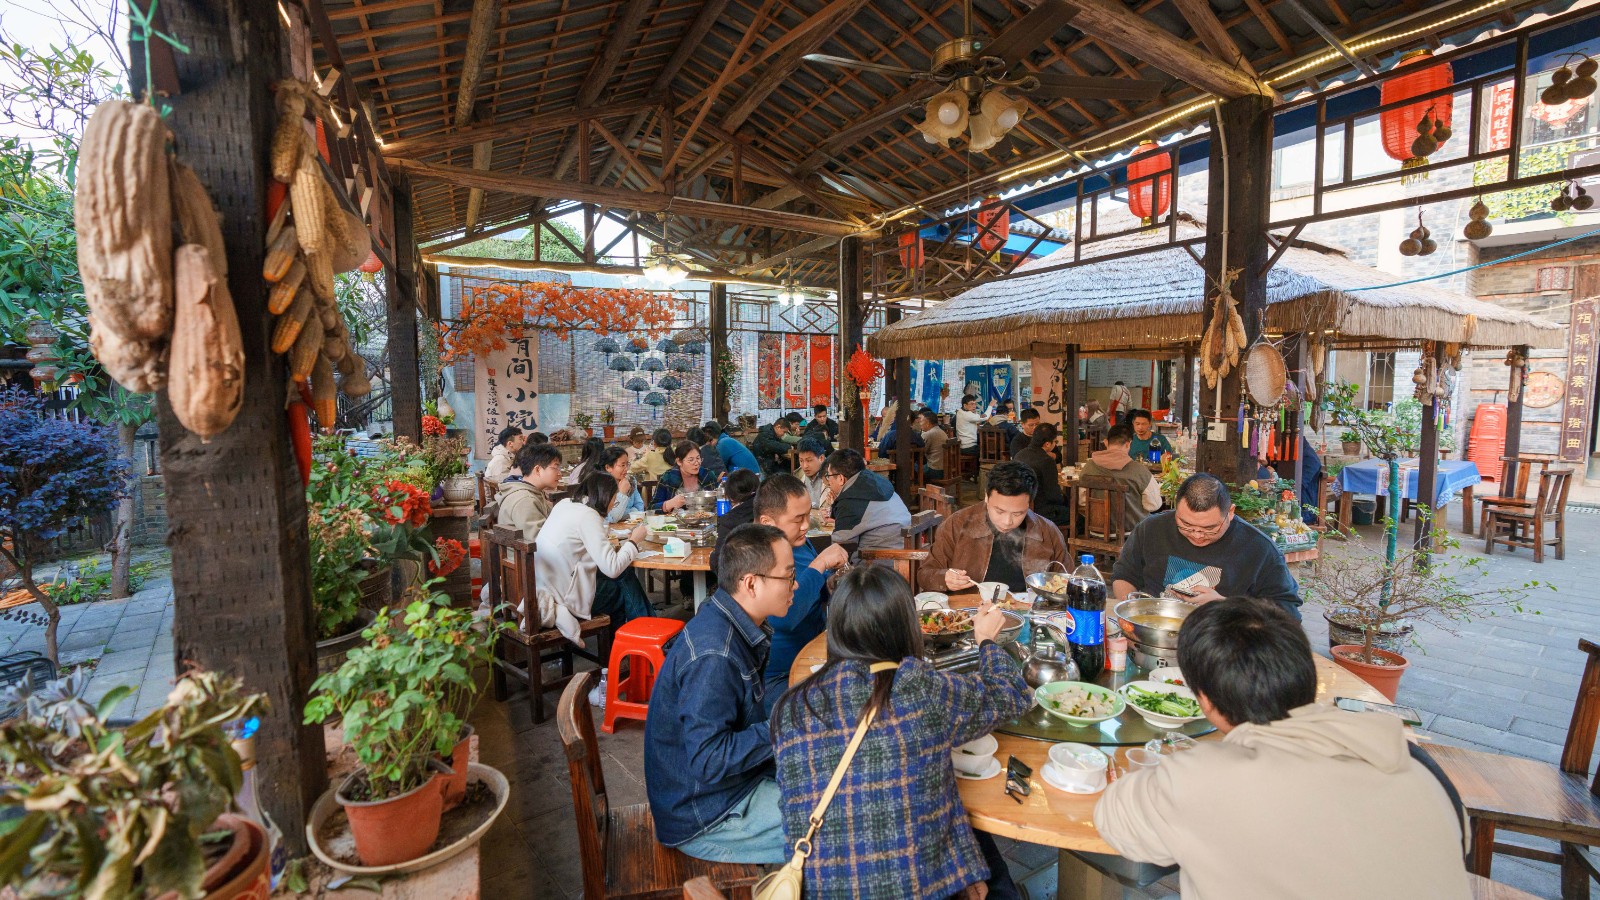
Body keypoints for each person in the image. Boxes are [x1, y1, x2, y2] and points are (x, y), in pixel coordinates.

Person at [1095, 598, 1471, 899]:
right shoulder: (1418, 767)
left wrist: (1161, 771)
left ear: (1204, 700)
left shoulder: (1201, 779)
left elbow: (1113, 821)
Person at [770, 566, 1029, 900]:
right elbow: (1012, 694)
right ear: (906, 626)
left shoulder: (791, 706)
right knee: (987, 858)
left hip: (818, 886)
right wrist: (987, 641)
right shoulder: (917, 686)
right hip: (915, 887)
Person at [645, 524, 795, 864]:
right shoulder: (716, 654)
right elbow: (709, 760)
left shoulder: (728, 618)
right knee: (835, 818)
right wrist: (784, 726)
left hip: (722, 790)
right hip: (706, 817)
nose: (795, 584)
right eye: (788, 576)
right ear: (751, 583)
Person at [1110, 474, 1301, 618]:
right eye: (1185, 525)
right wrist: (1133, 612)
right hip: (1154, 629)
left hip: (1221, 643)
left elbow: (1288, 612)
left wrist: (1225, 605)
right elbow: (1124, 576)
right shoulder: (1151, 529)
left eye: (1209, 528)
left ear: (1230, 512)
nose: (1197, 535)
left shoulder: (1260, 549)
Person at [753, 473, 848, 703]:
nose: (806, 525)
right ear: (767, 522)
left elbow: (817, 590)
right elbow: (785, 616)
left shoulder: (798, 542)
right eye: (798, 519)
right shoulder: (756, 555)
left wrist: (835, 580)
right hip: (776, 677)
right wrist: (820, 564)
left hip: (813, 656)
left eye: (807, 515)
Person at [534, 472, 652, 641]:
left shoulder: (565, 504)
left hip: (546, 586)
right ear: (605, 496)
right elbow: (612, 569)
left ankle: (629, 640)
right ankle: (647, 634)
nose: (614, 504)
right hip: (565, 597)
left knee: (624, 576)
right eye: (614, 499)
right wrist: (633, 541)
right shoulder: (588, 515)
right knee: (622, 586)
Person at [918, 461, 1068, 594]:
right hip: (971, 611)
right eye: (999, 511)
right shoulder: (957, 524)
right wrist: (944, 579)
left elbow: (1068, 581)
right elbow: (924, 575)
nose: (1007, 521)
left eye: (1018, 513)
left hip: (1028, 611)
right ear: (986, 497)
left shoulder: (1047, 531)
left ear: (1029, 504)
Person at [824, 448, 912, 559]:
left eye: (829, 476)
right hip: (904, 548)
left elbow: (839, 545)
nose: (829, 481)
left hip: (882, 560)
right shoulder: (876, 481)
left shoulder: (851, 500)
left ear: (841, 479)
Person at [1079, 424, 1163, 528]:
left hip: (1095, 530)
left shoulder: (1088, 467)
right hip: (1132, 532)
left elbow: (1082, 502)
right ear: (1128, 444)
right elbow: (1153, 505)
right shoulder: (1139, 470)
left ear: (1106, 442)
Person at [495, 442, 562, 542]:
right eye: (555, 467)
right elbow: (539, 540)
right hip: (523, 552)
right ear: (538, 470)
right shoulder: (525, 499)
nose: (560, 473)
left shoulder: (533, 491)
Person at [1012, 423, 1070, 526]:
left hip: (1019, 507)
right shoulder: (1047, 461)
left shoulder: (1019, 455)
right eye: (1055, 442)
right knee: (1078, 518)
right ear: (1047, 444)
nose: (1055, 444)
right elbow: (1053, 496)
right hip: (1041, 511)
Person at [711, 469, 762, 571]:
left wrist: (712, 556)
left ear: (730, 496)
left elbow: (718, 564)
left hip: (741, 575)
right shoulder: (768, 509)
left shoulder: (730, 522)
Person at [653, 441, 713, 512]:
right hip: (674, 518)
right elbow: (651, 508)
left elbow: (718, 500)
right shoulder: (668, 478)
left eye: (698, 458)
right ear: (679, 462)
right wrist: (669, 504)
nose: (697, 463)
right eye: (691, 460)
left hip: (705, 517)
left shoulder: (707, 475)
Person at [598, 447, 645, 523]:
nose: (626, 469)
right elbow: (612, 518)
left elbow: (640, 507)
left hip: (629, 526)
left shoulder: (631, 481)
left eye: (627, 464)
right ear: (608, 467)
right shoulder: (600, 486)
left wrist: (623, 514)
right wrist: (622, 494)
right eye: (622, 465)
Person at [795, 436, 832, 509]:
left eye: (809, 460)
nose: (805, 466)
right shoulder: (798, 476)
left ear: (821, 458)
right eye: (801, 461)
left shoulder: (833, 476)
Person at [917, 409, 948, 482]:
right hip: (944, 469)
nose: (919, 423)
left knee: (911, 466)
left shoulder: (928, 434)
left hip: (934, 470)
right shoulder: (940, 431)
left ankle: (918, 487)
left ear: (927, 423)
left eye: (921, 421)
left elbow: (921, 453)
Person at [954, 394, 985, 459]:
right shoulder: (967, 414)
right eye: (971, 404)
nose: (974, 406)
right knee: (987, 452)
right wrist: (990, 406)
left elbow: (976, 420)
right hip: (968, 448)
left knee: (984, 449)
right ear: (965, 405)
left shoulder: (960, 412)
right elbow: (985, 418)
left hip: (962, 446)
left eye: (975, 404)